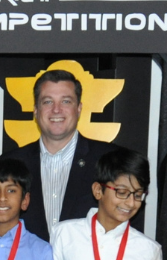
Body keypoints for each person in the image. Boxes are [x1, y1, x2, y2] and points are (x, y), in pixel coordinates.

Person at [12, 68, 115, 240]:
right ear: (36, 110)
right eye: (47, 102)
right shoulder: (12, 163)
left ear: (79, 108)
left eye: (66, 101)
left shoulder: (110, 160)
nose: (56, 110)